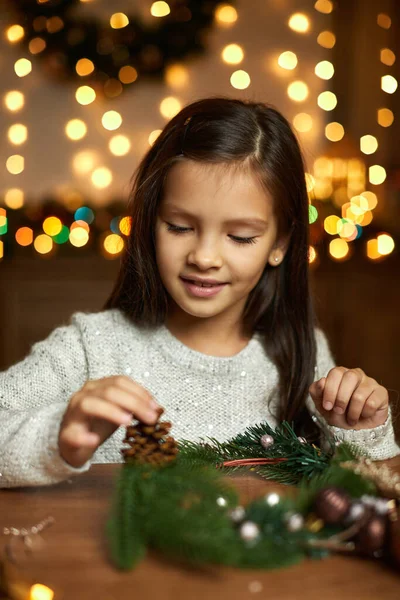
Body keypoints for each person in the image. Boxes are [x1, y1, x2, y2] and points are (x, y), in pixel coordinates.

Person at [1, 97, 399, 488]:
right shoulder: (90, 347)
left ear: (280, 244)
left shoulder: (304, 354)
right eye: (179, 227)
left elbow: (365, 499)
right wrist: (59, 437)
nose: (204, 257)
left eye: (240, 237)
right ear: (149, 224)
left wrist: (365, 434)